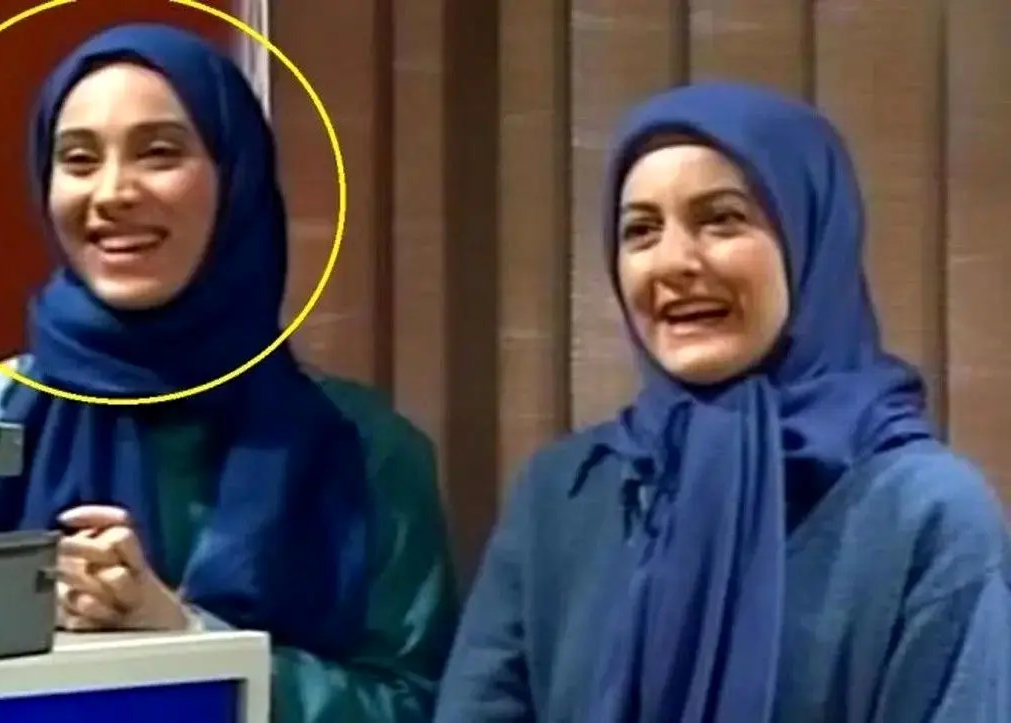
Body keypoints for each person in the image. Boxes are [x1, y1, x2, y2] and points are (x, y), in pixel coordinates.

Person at [0, 23, 458, 723]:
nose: (112, 192)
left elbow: (418, 704)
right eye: (78, 159)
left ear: (236, 179)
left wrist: (190, 642)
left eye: (159, 153)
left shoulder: (364, 451)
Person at [433, 81, 1011, 722]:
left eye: (721, 220)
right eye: (640, 231)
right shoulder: (564, 494)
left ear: (811, 239)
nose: (673, 262)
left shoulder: (925, 515)